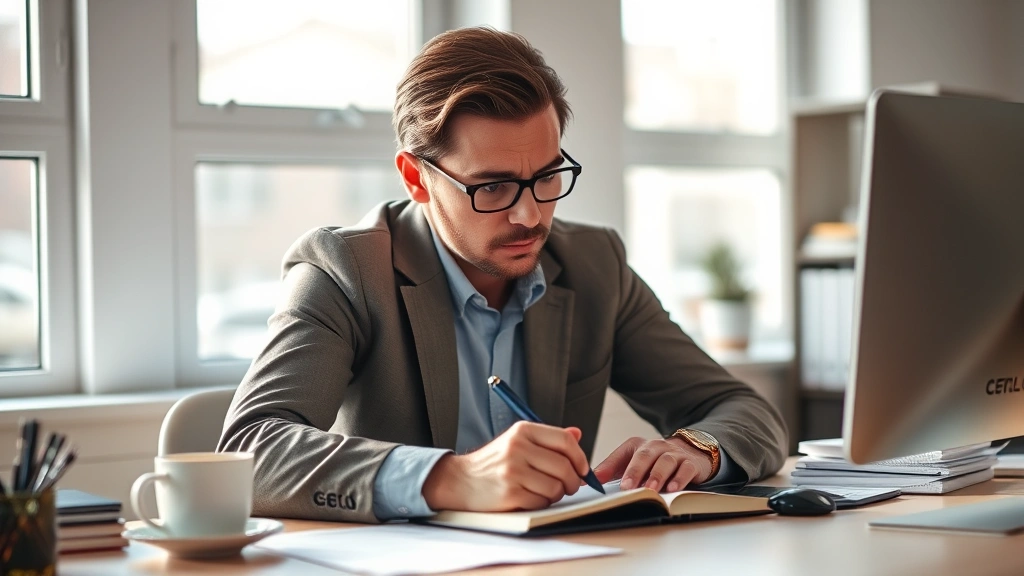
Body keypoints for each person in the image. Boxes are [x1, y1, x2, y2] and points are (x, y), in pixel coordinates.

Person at [218, 27, 787, 523]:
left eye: (546, 176)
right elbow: (248, 453)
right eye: (491, 187)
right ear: (416, 179)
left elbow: (746, 410)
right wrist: (451, 477)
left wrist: (699, 449)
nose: (530, 215)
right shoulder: (345, 270)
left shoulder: (594, 265)